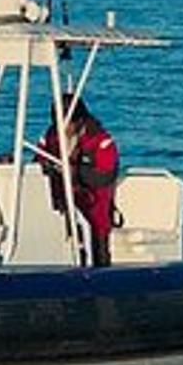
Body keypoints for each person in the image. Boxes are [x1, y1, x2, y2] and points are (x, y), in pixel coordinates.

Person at [38, 98, 121, 267]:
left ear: (79, 121)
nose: (63, 128)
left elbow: (104, 175)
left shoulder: (101, 141)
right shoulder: (51, 136)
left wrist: (75, 172)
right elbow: (39, 158)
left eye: (66, 123)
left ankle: (102, 264)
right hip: (63, 195)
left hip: (92, 197)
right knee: (67, 225)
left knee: (98, 223)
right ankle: (77, 261)